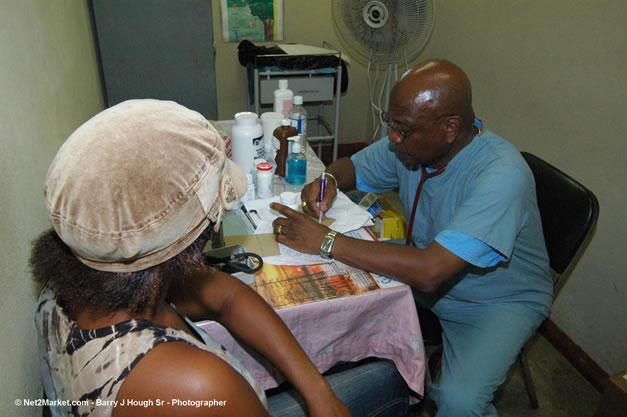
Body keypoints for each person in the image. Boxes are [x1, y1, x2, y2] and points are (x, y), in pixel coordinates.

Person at [31, 99, 410, 417]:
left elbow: (225, 295)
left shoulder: (85, 273)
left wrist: (317, 390)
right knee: (385, 379)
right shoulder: (197, 383)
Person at [270, 59, 554, 417]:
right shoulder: (415, 146)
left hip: (495, 300)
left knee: (458, 401)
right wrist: (327, 181)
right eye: (392, 123)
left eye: (403, 130)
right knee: (324, 296)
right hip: (425, 264)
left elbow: (431, 271)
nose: (393, 138)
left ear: (450, 126)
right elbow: (351, 167)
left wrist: (325, 240)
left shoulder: (501, 176)